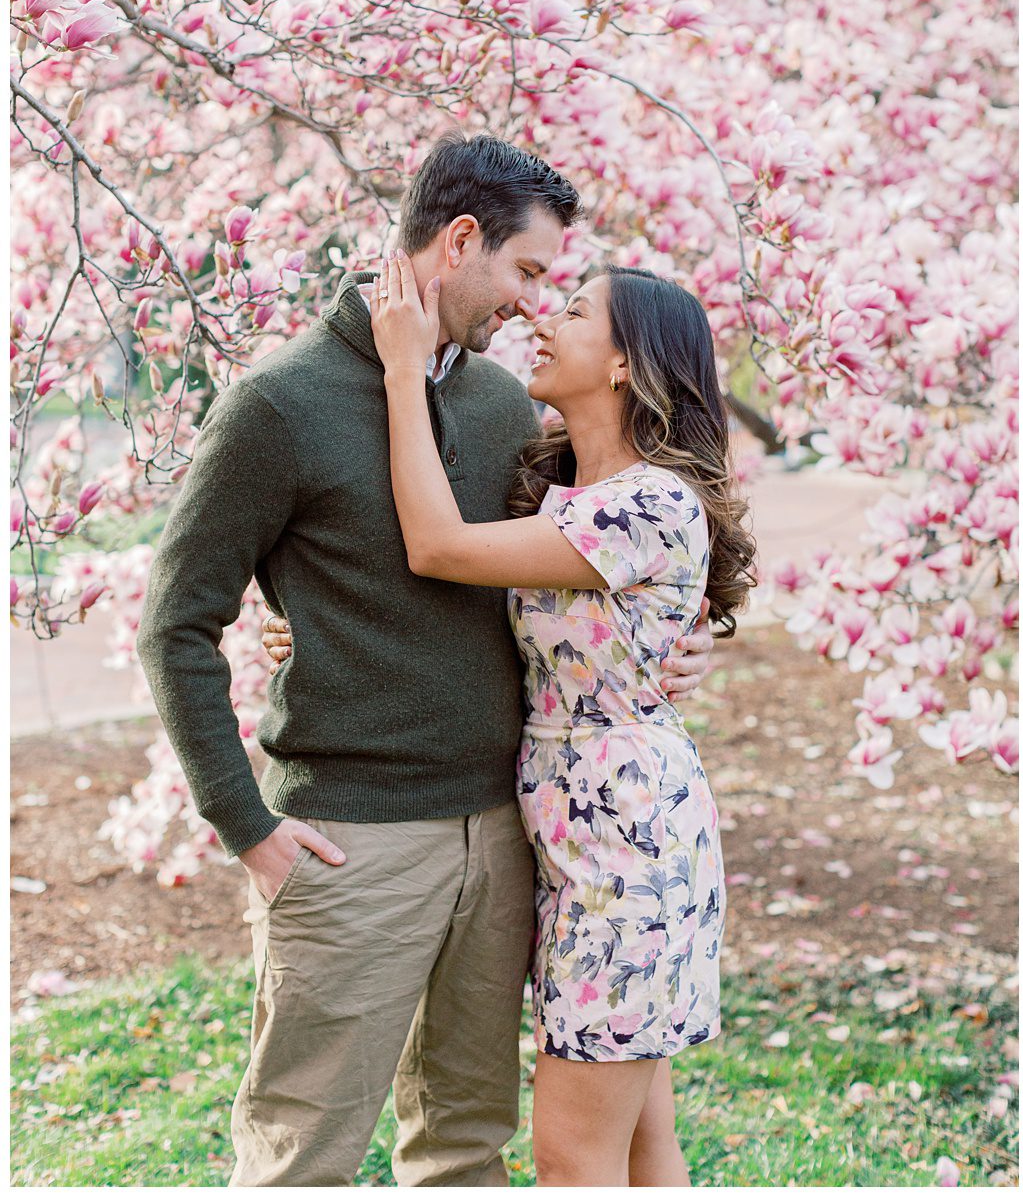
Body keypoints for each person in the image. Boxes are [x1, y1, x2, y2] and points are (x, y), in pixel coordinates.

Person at [135, 131, 711, 1185]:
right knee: (304, 1151)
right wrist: (246, 828)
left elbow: (585, 574)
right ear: (458, 243)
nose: (533, 306)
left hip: (504, 836)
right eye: (526, 273)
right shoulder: (277, 404)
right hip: (352, 841)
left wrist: (680, 648)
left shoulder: (502, 409)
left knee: (464, 1149)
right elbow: (174, 625)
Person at [353, 252, 751, 1185]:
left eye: (573, 311)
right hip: (591, 839)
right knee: (643, 1142)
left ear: (623, 362)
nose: (541, 317)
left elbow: (439, 547)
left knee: (573, 1159)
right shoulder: (575, 489)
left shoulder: (648, 502)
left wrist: (404, 370)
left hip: (626, 855)